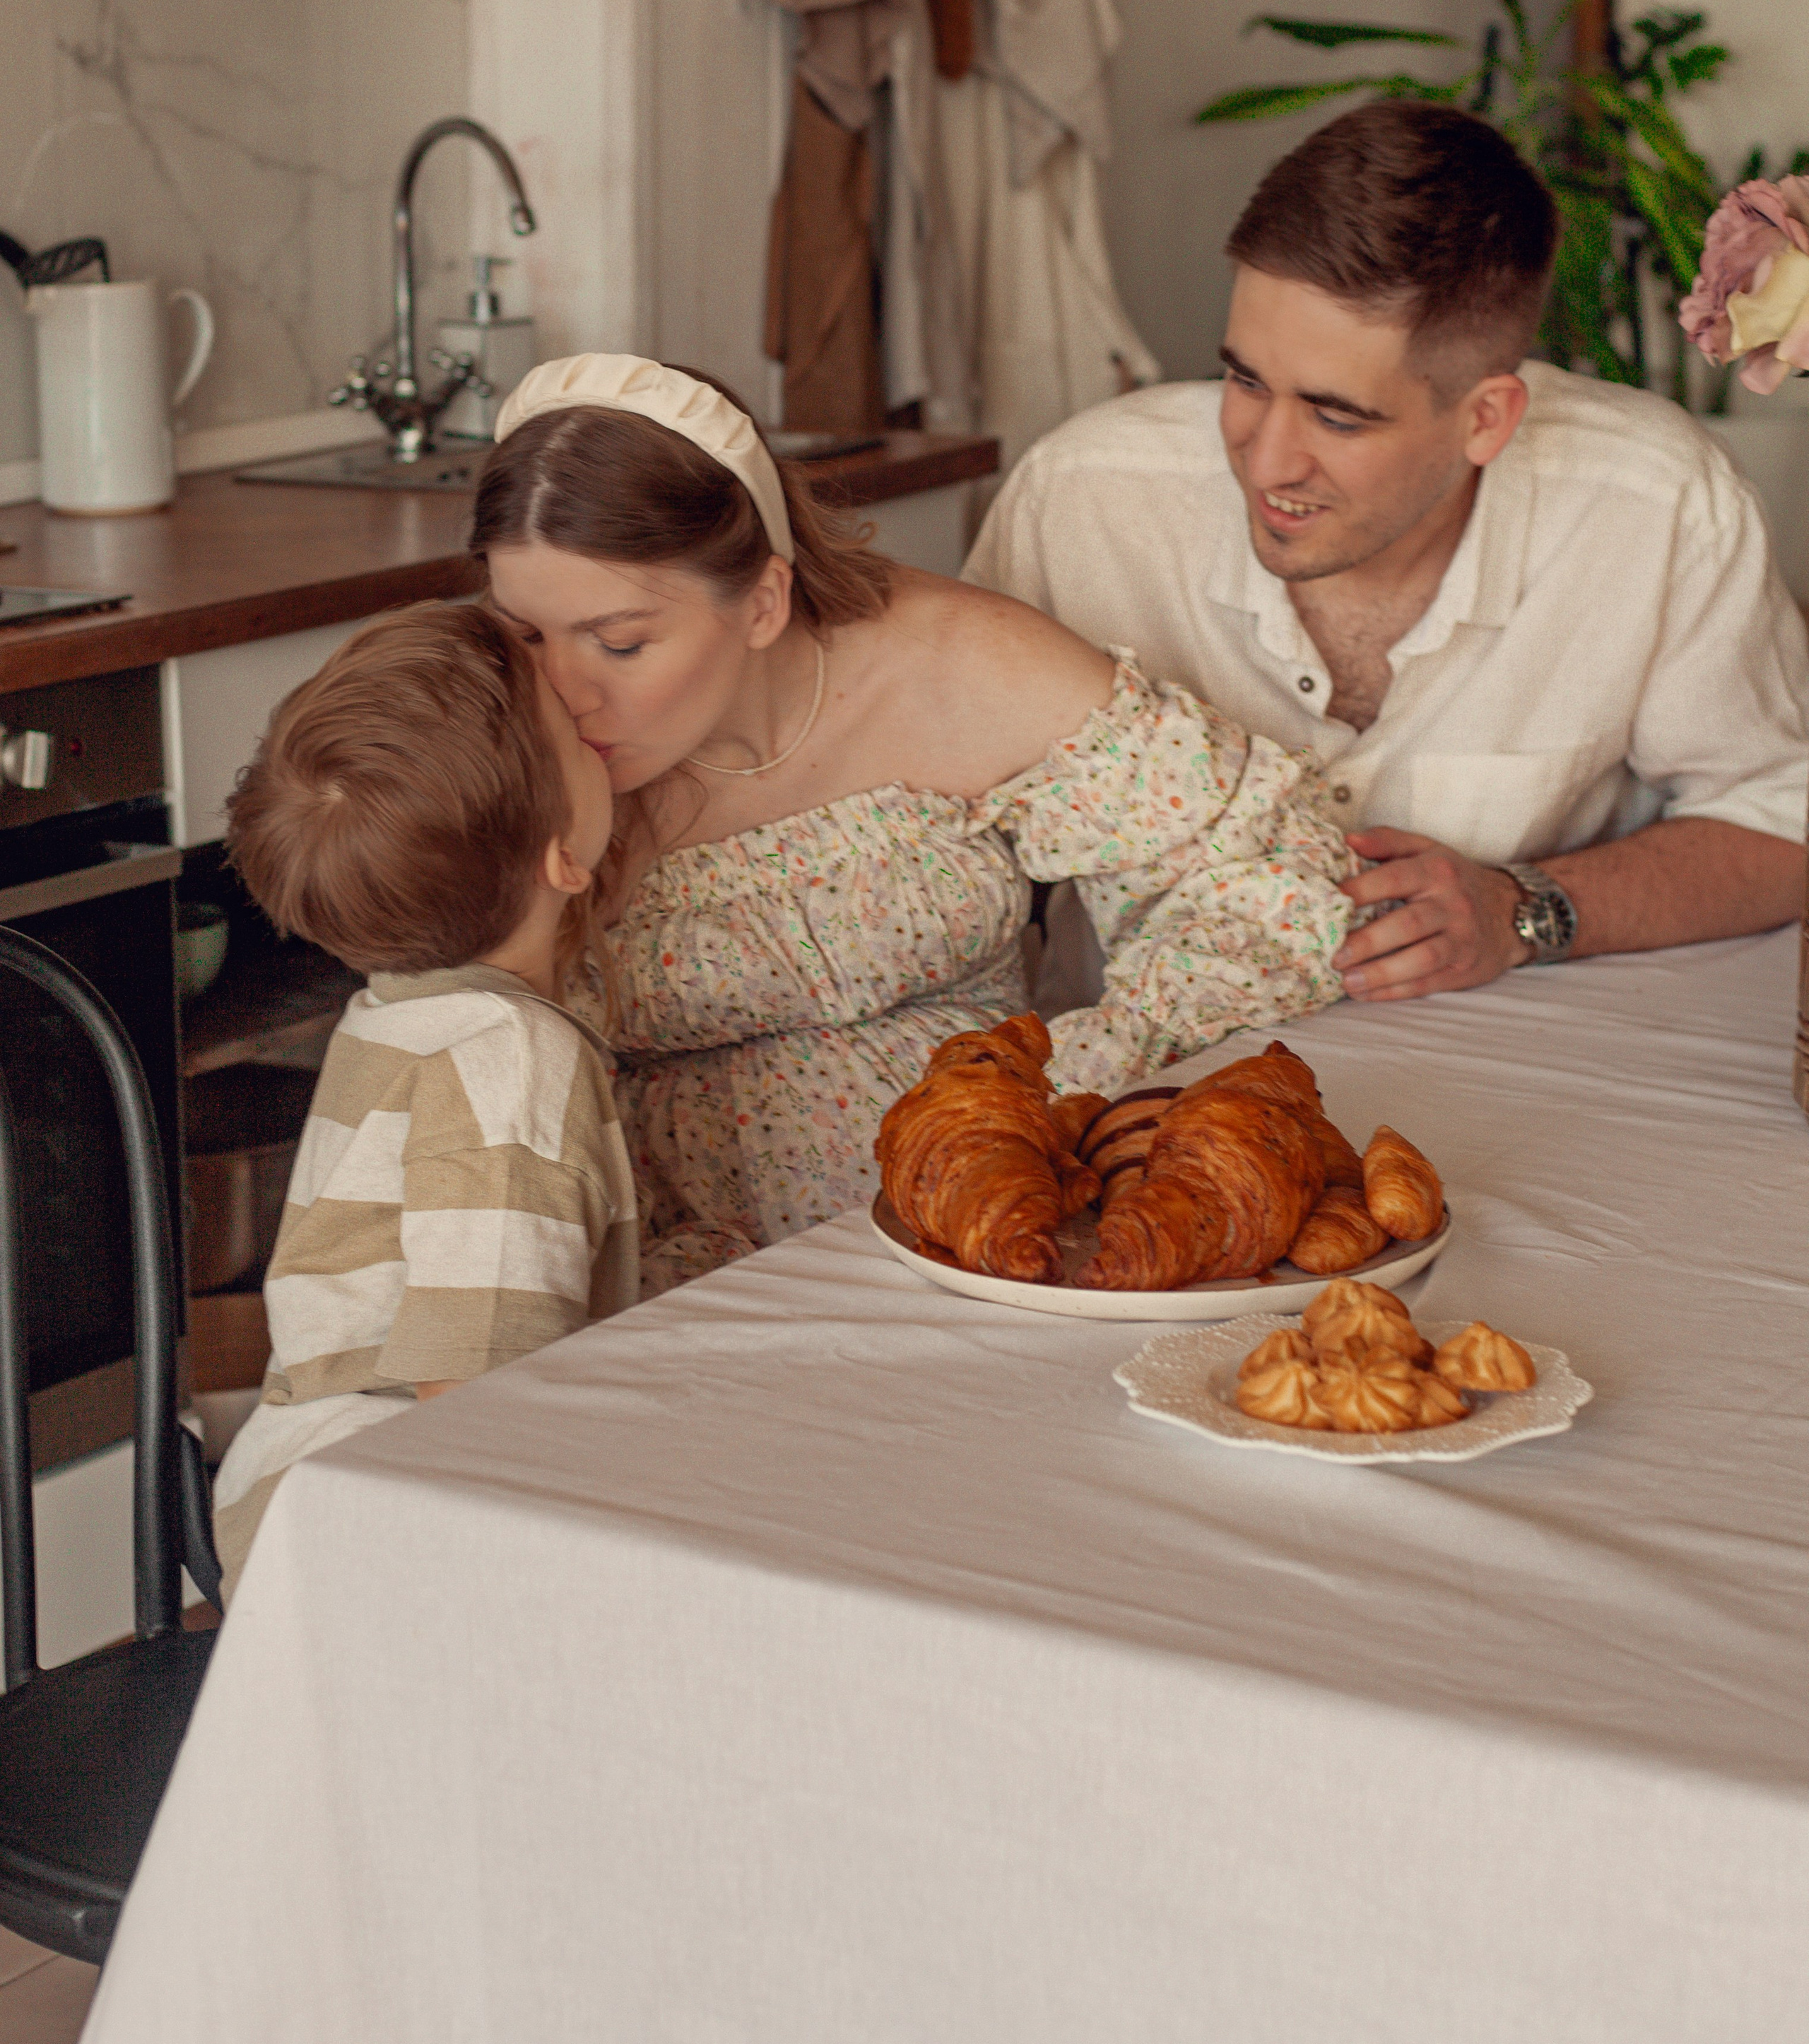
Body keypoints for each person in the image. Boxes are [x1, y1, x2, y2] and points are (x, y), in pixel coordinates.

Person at [469, 353, 1355, 1294]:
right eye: (525, 633)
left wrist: (1065, 1100)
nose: (564, 690)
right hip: (655, 1282)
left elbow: (1254, 865)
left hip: (989, 1250)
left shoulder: (951, 662)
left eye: (620, 641)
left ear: (763, 600)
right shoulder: (505, 744)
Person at [964, 99, 1809, 1005]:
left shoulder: (1658, 505)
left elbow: (1781, 824)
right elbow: (929, 821)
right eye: (1244, 378)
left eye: (1337, 414)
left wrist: (1524, 908)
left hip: (1529, 1093)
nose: (1266, 456)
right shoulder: (1082, 494)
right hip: (1134, 1100)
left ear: (1485, 418)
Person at [211, 603, 636, 1606]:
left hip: (305, 1489)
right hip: (384, 1538)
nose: (590, 713)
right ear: (563, 859)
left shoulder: (403, 1006)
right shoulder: (511, 1060)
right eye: (574, 734)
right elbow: (478, 1401)